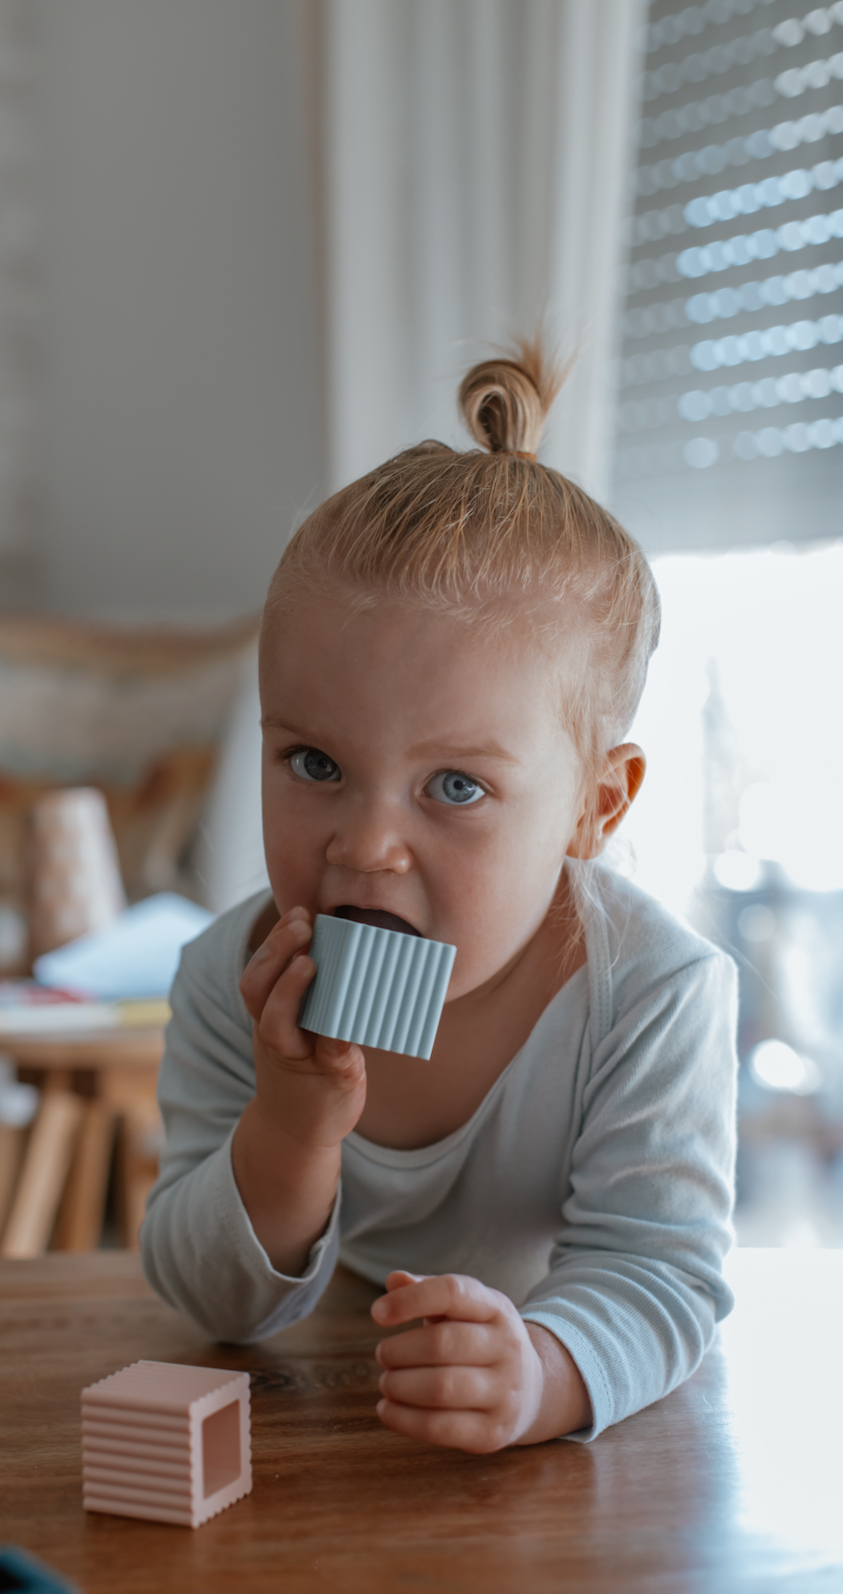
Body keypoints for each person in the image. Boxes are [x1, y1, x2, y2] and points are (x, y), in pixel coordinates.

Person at [141, 344, 737, 1452]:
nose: (365, 847)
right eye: (314, 763)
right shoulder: (233, 981)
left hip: (560, 1403)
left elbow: (659, 1272)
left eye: (455, 786)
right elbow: (208, 1301)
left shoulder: (652, 993)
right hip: (326, 1387)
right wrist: (289, 1126)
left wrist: (547, 1373)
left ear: (595, 808)